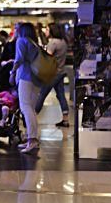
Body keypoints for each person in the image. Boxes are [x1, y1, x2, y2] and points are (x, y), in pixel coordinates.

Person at [9, 22, 42, 154]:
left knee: (25, 107)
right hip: (36, 78)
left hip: (25, 77)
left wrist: (12, 72)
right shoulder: (34, 43)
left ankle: (32, 139)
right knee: (31, 109)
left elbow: (19, 59)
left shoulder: (21, 41)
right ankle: (33, 139)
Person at [35, 23, 69, 127]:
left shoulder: (53, 42)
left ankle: (33, 116)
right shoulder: (63, 42)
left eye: (47, 29)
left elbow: (48, 56)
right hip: (61, 72)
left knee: (42, 94)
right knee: (61, 95)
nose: (46, 31)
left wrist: (41, 51)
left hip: (52, 74)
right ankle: (66, 119)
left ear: (52, 31)